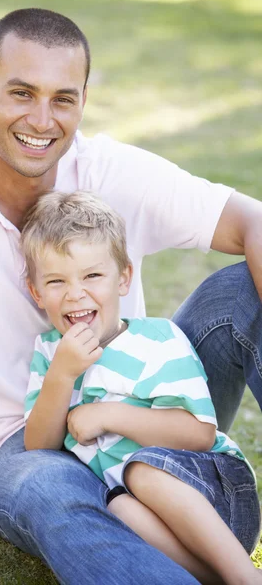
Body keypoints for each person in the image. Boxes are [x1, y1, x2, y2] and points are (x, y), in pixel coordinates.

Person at [0, 6, 261, 585]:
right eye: (21, 93)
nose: (42, 120)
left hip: (150, 417)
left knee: (241, 292)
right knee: (51, 484)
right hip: (25, 450)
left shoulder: (111, 168)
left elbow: (253, 222)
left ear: (82, 100)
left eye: (63, 98)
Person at [21, 190, 261, 585]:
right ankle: (216, 577)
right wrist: (61, 377)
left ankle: (244, 576)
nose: (75, 293)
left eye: (92, 275)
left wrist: (107, 414)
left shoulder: (157, 341)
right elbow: (40, 449)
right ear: (36, 292)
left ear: (124, 278)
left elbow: (199, 433)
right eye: (56, 281)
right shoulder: (51, 354)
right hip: (155, 523)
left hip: (215, 495)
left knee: (141, 473)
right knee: (115, 508)